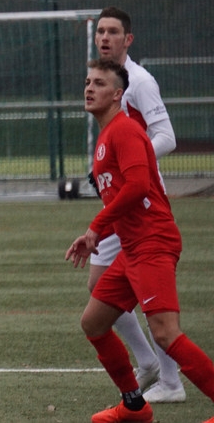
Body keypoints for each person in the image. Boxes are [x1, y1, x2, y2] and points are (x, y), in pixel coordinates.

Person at [65, 58, 214, 423]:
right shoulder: (107, 136)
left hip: (153, 243)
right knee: (94, 322)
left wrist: (96, 227)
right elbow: (125, 201)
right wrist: (98, 233)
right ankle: (134, 406)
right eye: (87, 82)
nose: (89, 88)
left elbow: (138, 187)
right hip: (132, 247)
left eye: (99, 83)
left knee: (165, 333)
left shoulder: (125, 130)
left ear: (118, 94)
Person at [88, 6, 184, 403]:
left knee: (149, 297)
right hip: (119, 200)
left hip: (139, 201)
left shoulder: (140, 81)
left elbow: (167, 136)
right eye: (100, 31)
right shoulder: (104, 80)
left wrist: (132, 164)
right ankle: (147, 363)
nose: (104, 37)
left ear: (128, 39)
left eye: (113, 31)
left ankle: (171, 381)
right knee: (99, 288)